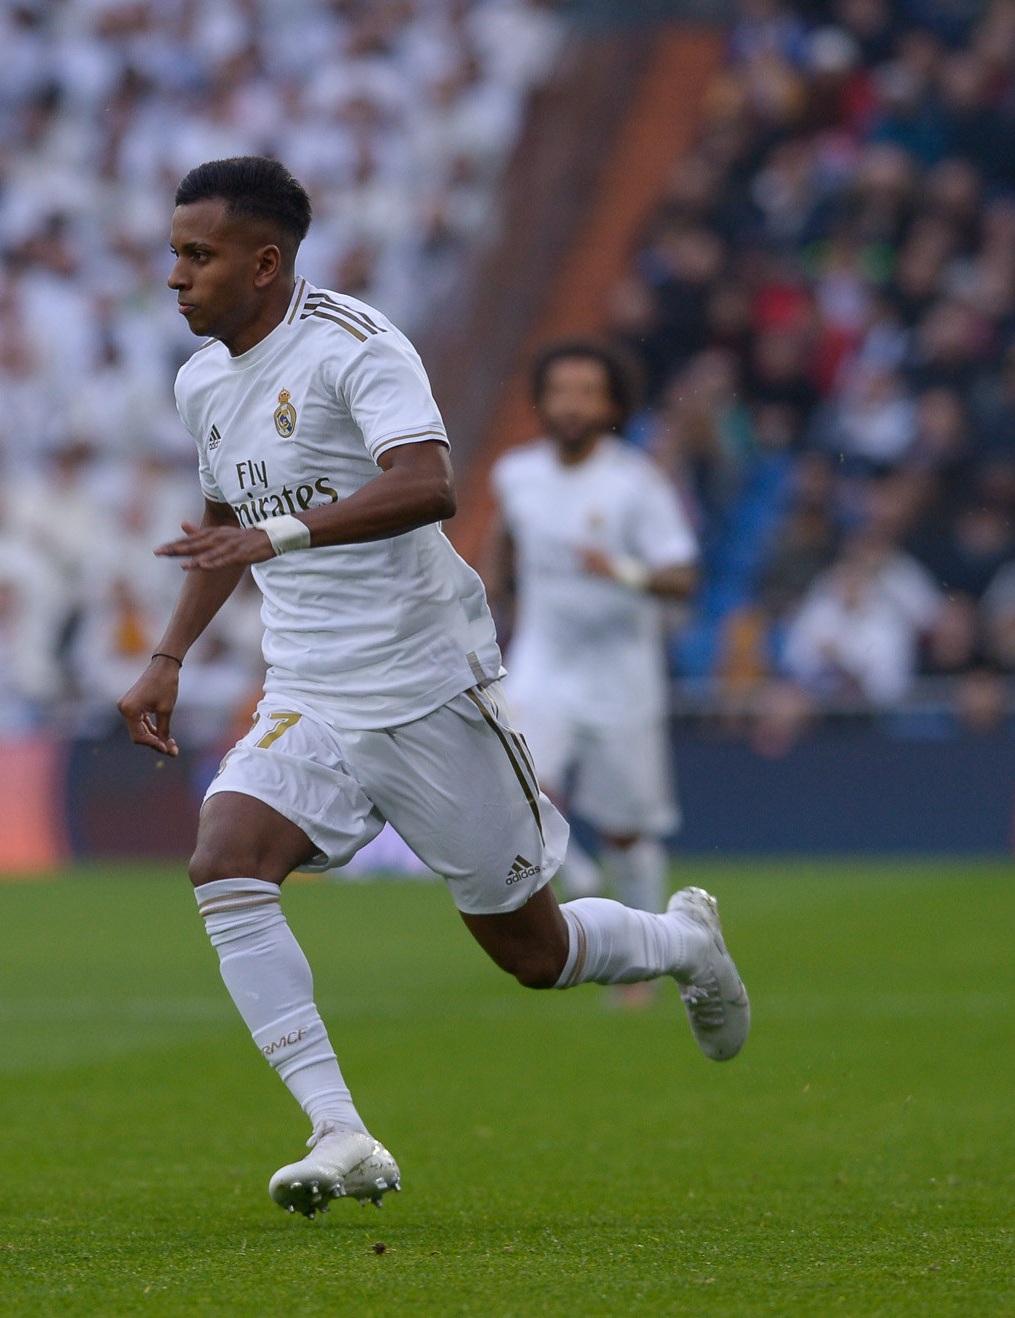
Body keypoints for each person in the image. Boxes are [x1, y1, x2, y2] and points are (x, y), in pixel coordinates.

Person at [117, 158, 749, 1220]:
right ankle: (341, 1131)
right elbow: (229, 527)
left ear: (264, 263)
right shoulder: (202, 384)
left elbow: (427, 483)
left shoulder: (354, 347)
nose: (176, 276)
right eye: (176, 253)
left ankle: (685, 942)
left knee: (532, 952)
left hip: (425, 680)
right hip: (310, 682)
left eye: (199, 255)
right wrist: (171, 654)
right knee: (225, 860)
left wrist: (278, 530)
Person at [485, 344, 700, 975]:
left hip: (621, 676)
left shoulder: (636, 483)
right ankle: (582, 890)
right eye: (560, 390)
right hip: (542, 664)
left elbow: (682, 576)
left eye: (587, 391)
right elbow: (505, 534)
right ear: (542, 400)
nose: (572, 403)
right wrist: (492, 590)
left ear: (611, 404)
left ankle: (646, 961)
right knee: (512, 783)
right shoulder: (516, 472)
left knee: (627, 831)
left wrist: (623, 571)